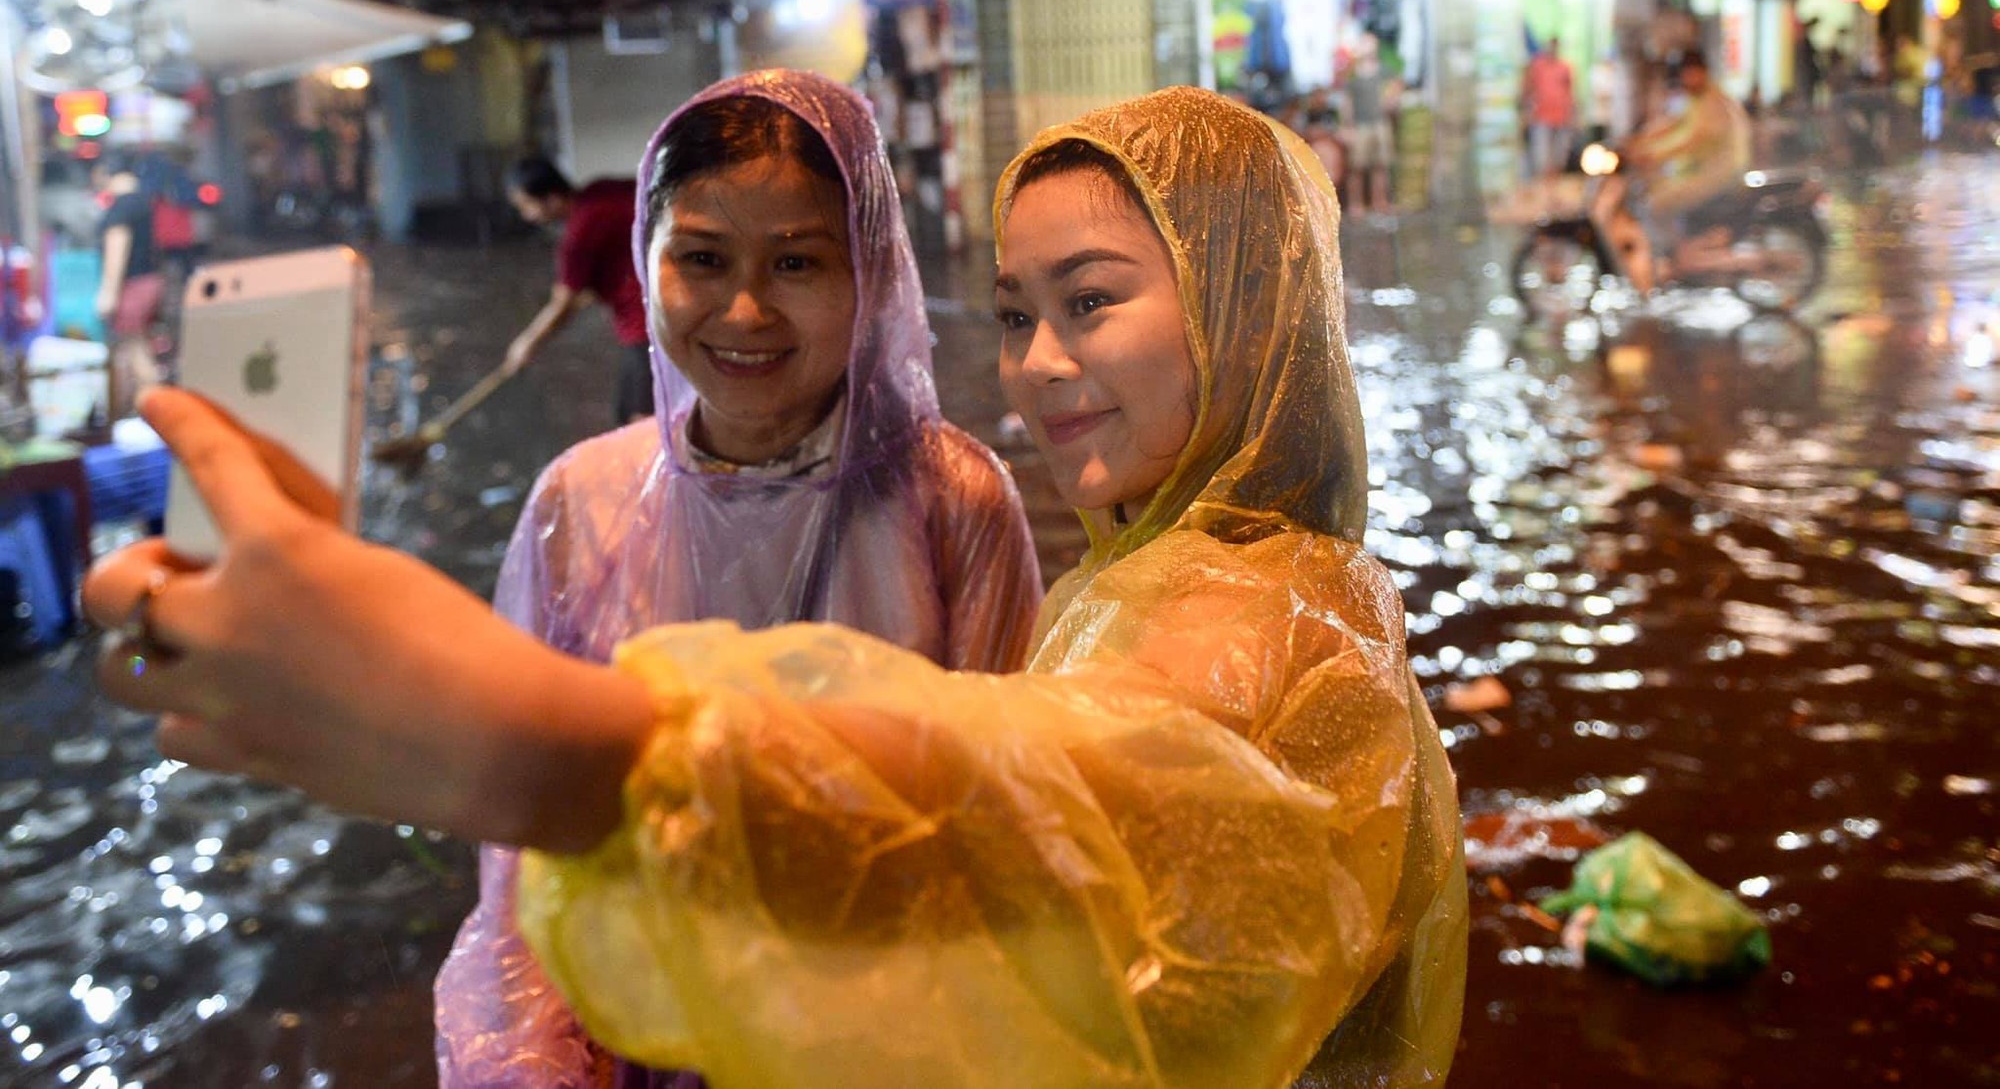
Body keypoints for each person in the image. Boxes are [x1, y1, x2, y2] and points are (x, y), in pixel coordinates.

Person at [84, 87, 1466, 1089]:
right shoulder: (1173, 568)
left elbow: (1046, 826)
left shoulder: (1244, 604)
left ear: (1249, 309)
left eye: (1093, 301)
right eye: (1015, 311)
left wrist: (527, 744)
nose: (1040, 365)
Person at [437, 70, 1046, 1087]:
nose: (746, 310)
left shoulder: (951, 499)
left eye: (797, 260)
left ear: (872, 274)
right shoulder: (577, 500)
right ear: (645, 262)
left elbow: (1004, 830)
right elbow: (523, 850)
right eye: (702, 260)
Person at [505, 157, 654, 425]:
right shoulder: (602, 190)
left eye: (526, 206)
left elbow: (563, 303)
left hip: (645, 325)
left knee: (640, 422)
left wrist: (527, 343)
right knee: (626, 416)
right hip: (666, 310)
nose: (528, 216)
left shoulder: (578, 235)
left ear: (551, 198)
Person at [1599, 50, 1752, 294]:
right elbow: (1672, 125)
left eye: (1691, 75)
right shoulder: (1696, 99)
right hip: (1695, 171)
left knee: (1656, 204)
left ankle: (1678, 262)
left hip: (1716, 177)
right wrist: (1635, 141)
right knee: (1650, 191)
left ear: (1702, 73)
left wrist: (1651, 154)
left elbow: (1691, 141)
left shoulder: (1714, 103)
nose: (1687, 81)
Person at [94, 151, 165, 420]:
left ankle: (155, 410)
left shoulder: (120, 208)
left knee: (135, 349)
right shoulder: (143, 202)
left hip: (133, 286)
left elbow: (117, 250)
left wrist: (108, 293)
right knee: (139, 347)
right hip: (151, 280)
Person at [1343, 37, 1394, 215]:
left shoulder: (1384, 72)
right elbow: (1347, 103)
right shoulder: (1353, 75)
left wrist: (1391, 101)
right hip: (1360, 125)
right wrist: (1347, 127)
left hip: (1380, 123)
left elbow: (1395, 88)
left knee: (1380, 165)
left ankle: (1379, 201)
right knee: (1357, 167)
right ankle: (1356, 204)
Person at [1520, 36, 1576, 184]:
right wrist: (1526, 112)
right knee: (1542, 158)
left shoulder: (1565, 67)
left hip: (1562, 117)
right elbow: (1527, 89)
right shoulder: (1537, 66)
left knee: (1559, 158)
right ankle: (1543, 190)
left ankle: (1554, 190)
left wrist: (1573, 115)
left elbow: (1570, 91)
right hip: (1542, 118)